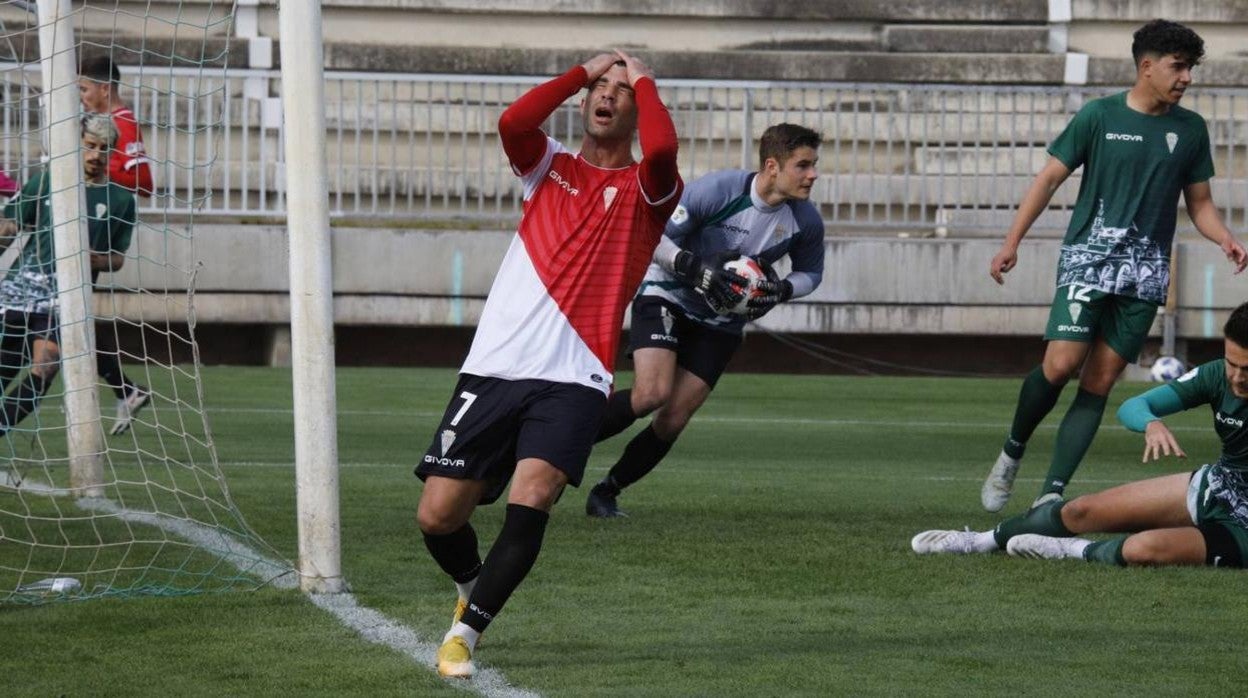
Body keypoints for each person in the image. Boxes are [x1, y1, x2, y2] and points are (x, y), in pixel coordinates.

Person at [414, 50, 681, 678]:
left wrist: (643, 76)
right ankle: (472, 583)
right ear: (585, 100)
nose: (606, 96)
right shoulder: (549, 167)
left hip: (575, 375)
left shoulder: (649, 188)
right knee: (437, 515)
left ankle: (464, 636)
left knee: (535, 493)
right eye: (599, 89)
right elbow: (514, 121)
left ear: (638, 108)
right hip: (496, 367)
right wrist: (577, 74)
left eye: (621, 91)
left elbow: (665, 150)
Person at [981, 19, 1247, 513]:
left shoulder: (1190, 129)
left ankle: (1051, 493)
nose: (1187, 77)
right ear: (1146, 67)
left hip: (1145, 275)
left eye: (1190, 68)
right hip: (1088, 260)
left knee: (1099, 383)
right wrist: (1011, 242)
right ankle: (1012, 451)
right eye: (1178, 66)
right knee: (1060, 364)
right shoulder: (1098, 116)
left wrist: (1225, 238)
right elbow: (1048, 180)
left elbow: (1201, 204)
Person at [584, 122, 825, 518]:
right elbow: (654, 235)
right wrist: (695, 269)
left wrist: (782, 290)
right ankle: (558, 452)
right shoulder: (718, 190)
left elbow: (811, 274)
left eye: (814, 165)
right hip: (668, 294)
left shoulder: (806, 221)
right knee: (651, 393)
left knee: (674, 417)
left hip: (722, 322)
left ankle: (607, 491)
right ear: (772, 166)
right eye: (803, 165)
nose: (812, 174)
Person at [912, 301, 1248, 569]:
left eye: (1246, 369)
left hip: (1244, 529)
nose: (1236, 377)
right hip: (1216, 488)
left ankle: (1073, 550)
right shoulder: (1216, 375)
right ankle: (982, 541)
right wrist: (1150, 422)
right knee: (1079, 511)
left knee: (1145, 548)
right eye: (1232, 363)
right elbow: (1133, 406)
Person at [0, 114, 135, 444]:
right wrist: (8, 228)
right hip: (20, 289)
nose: (95, 155)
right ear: (78, 144)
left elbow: (117, 259)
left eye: (104, 149)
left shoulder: (120, 200)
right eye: (89, 146)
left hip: (65, 298)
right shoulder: (49, 180)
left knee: (44, 368)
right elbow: (11, 224)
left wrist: (97, 259)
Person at [78, 54, 153, 435]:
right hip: (84, 221)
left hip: (95, 228)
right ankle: (125, 389)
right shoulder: (104, 123)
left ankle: (124, 388)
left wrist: (94, 173)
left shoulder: (122, 125)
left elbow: (143, 182)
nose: (81, 97)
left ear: (104, 89)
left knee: (66, 322)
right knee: (69, 321)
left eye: (85, 89)